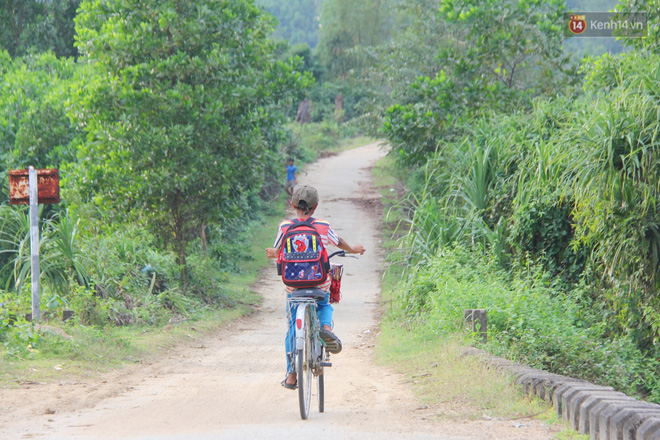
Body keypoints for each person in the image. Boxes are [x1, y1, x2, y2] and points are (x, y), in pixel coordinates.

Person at [265, 185, 366, 390]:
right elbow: (339, 242)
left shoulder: (285, 227)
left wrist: (272, 252)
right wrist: (353, 248)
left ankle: (292, 374)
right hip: (319, 282)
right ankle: (326, 328)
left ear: (293, 205)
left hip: (293, 286)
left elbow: (277, 251)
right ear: (316, 206)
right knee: (324, 303)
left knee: (293, 325)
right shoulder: (322, 225)